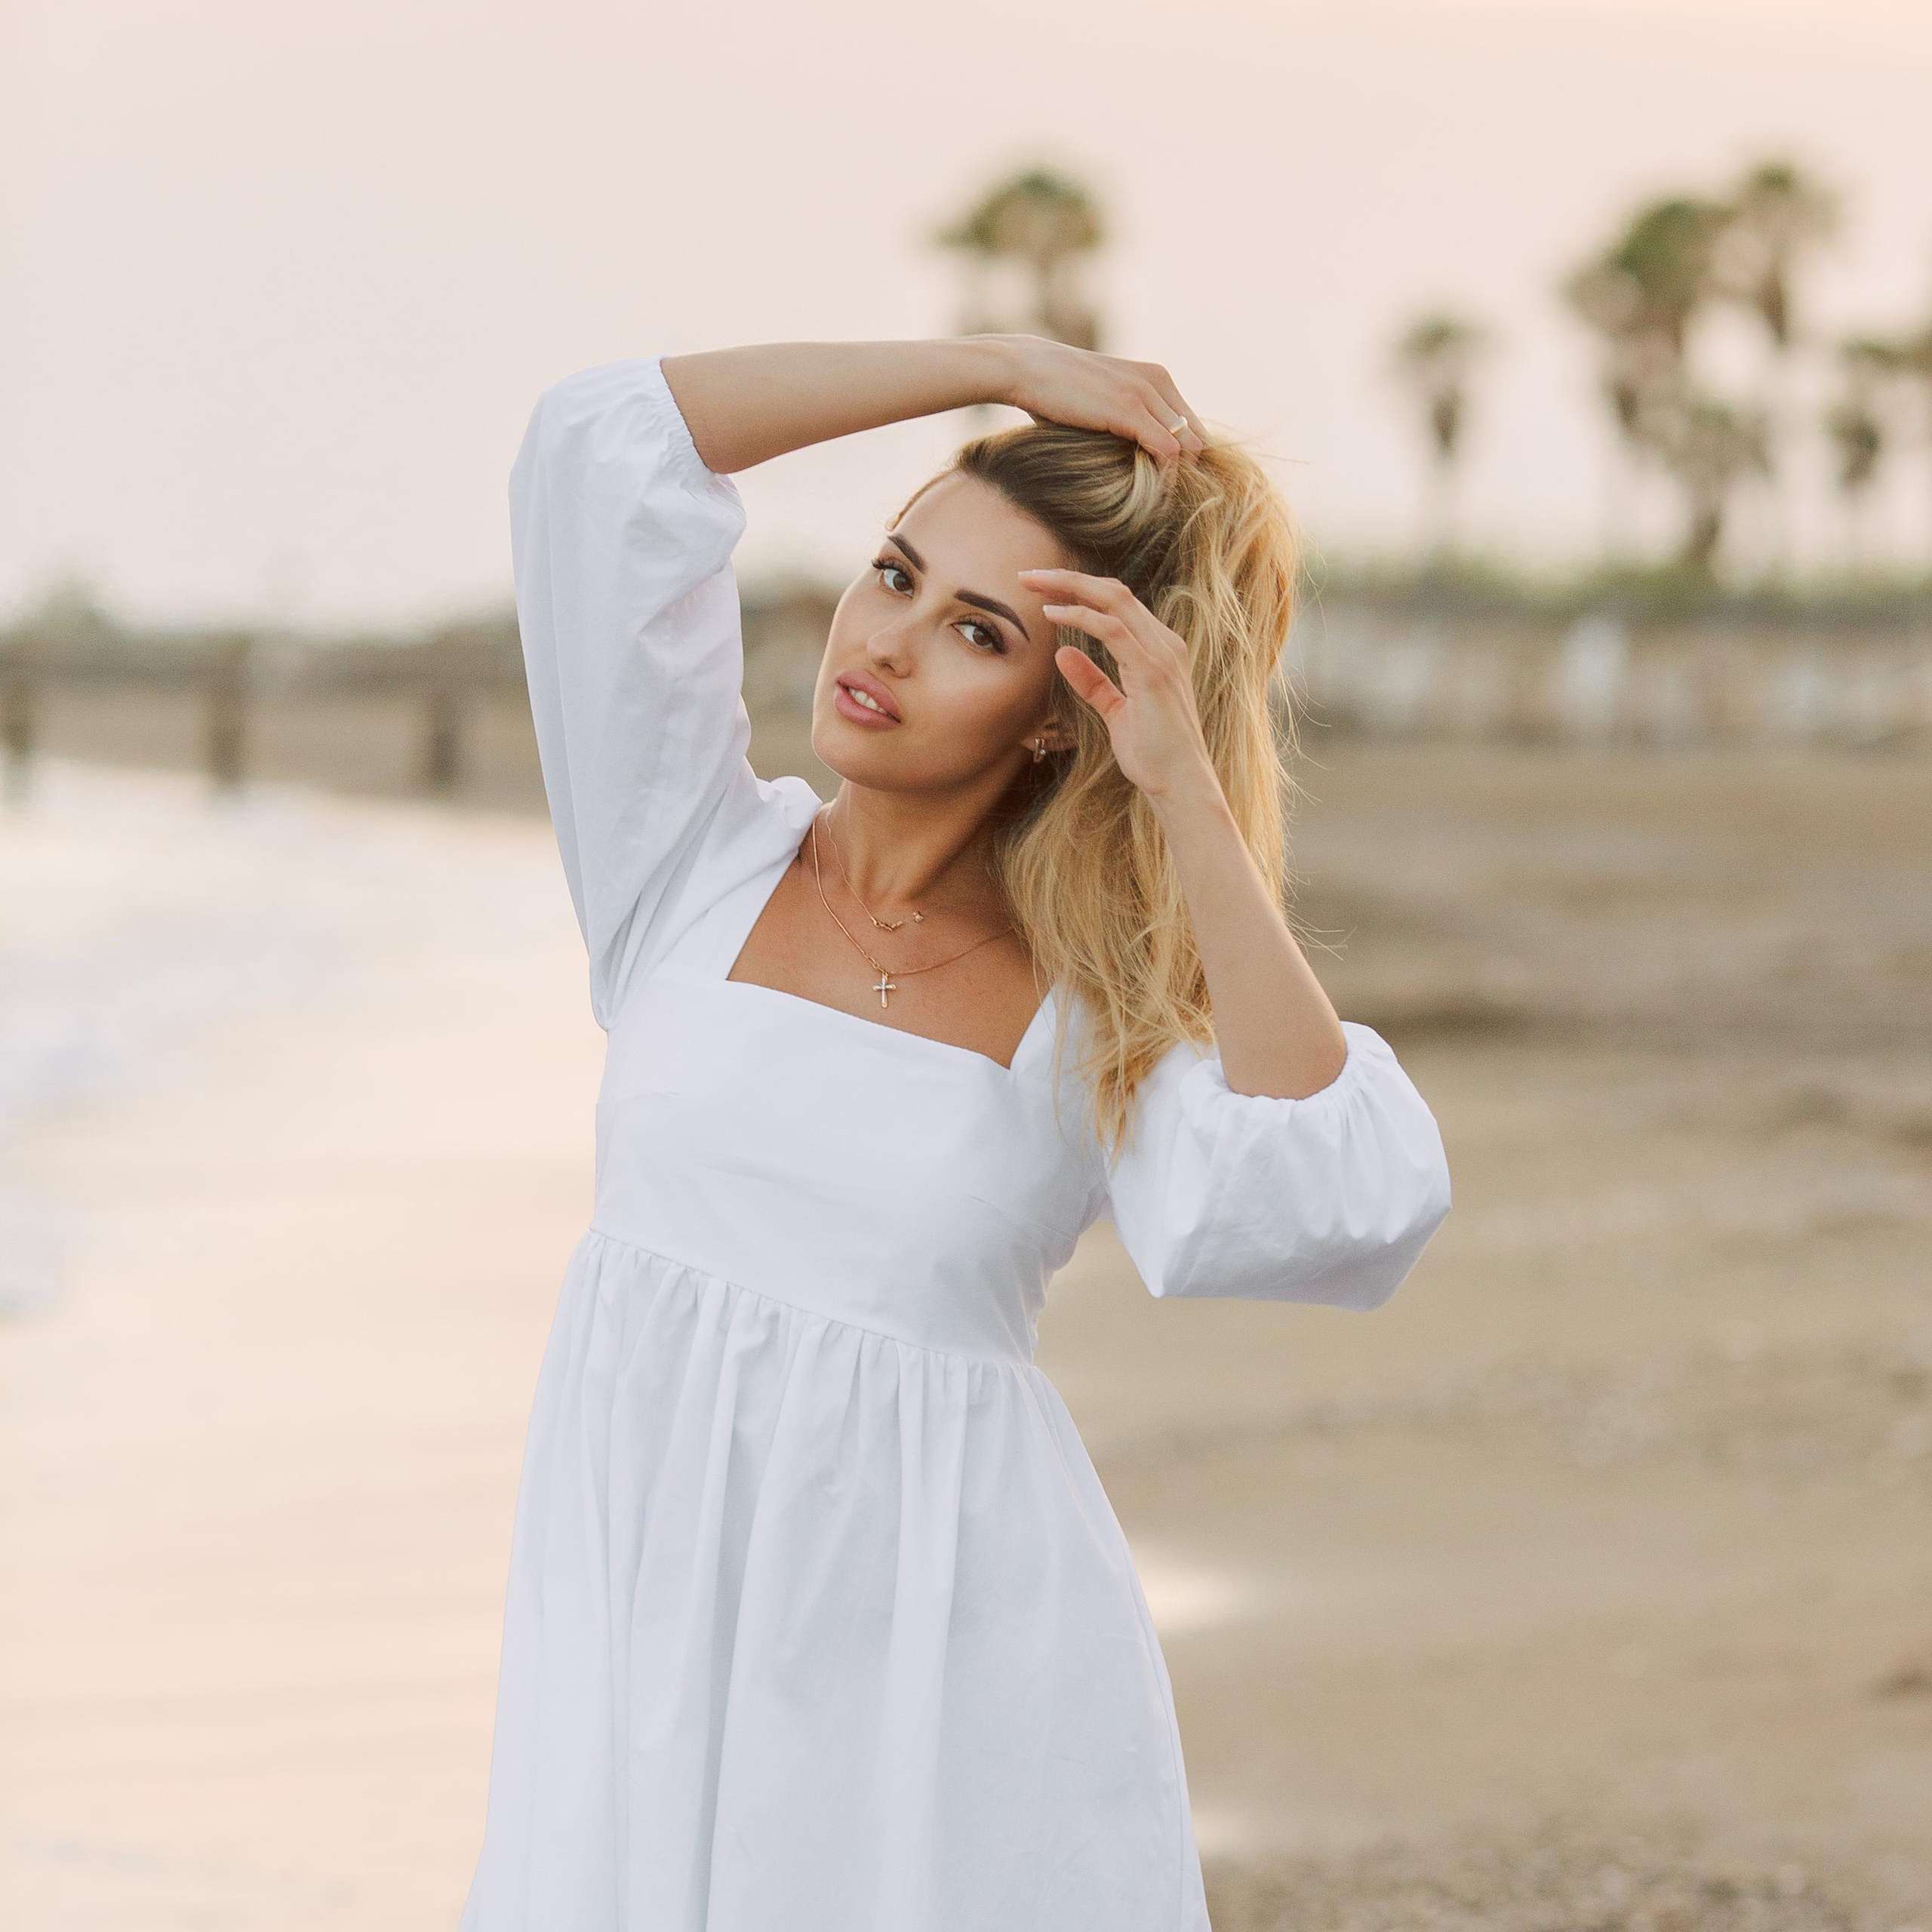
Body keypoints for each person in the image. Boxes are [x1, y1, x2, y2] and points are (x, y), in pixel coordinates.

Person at [458, 336, 1453, 1932]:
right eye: (893, 573)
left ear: (1063, 710)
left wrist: (1187, 785)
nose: (888, 641)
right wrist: (988, 364)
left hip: (936, 1658)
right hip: (637, 1610)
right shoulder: (687, 869)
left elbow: (1324, 1193)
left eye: (976, 628)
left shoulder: (1096, 1008)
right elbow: (603, 449)